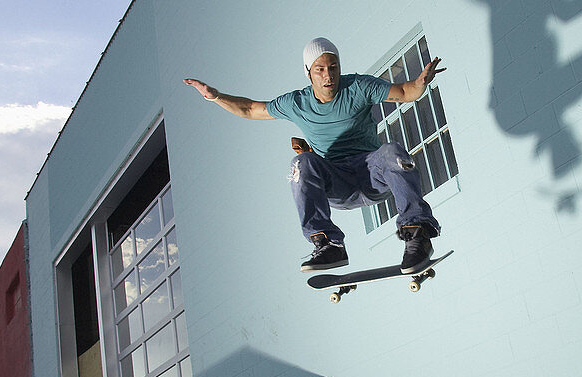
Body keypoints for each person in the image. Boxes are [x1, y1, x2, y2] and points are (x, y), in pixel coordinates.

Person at [184, 37, 444, 273]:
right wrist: (215, 97)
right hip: (336, 182)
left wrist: (420, 83)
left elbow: (404, 92)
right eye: (320, 70)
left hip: (371, 173)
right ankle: (328, 243)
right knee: (301, 163)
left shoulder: (359, 86)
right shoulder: (297, 103)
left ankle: (417, 234)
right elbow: (251, 109)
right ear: (308, 72)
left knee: (391, 151)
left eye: (333, 68)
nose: (328, 76)